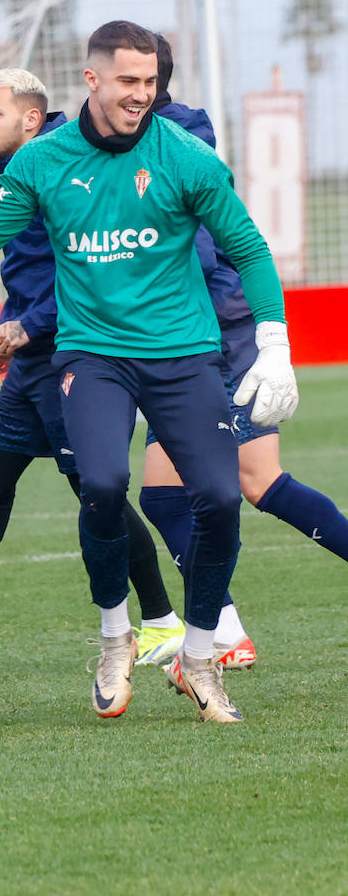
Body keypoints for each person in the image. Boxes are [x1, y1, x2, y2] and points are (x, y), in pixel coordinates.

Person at [0, 21, 298, 724]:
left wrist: (274, 344)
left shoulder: (185, 156)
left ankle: (201, 655)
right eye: (127, 82)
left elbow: (247, 246)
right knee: (103, 484)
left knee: (219, 499)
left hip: (182, 357)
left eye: (149, 84)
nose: (140, 96)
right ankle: (116, 635)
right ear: (92, 80)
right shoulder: (42, 162)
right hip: (91, 356)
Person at [0, 67, 182, 667]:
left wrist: (31, 325)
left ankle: (160, 620)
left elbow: (96, 271)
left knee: (97, 494)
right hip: (31, 360)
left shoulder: (71, 169)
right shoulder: (18, 173)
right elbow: (34, 269)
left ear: (31, 119)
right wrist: (13, 326)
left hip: (73, 360)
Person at [140, 35, 348, 676]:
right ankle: (225, 627)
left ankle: (224, 631)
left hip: (213, 339)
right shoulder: (161, 140)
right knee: (167, 497)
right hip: (198, 341)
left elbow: (199, 253)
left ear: (148, 82)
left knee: (251, 483)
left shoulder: (170, 149)